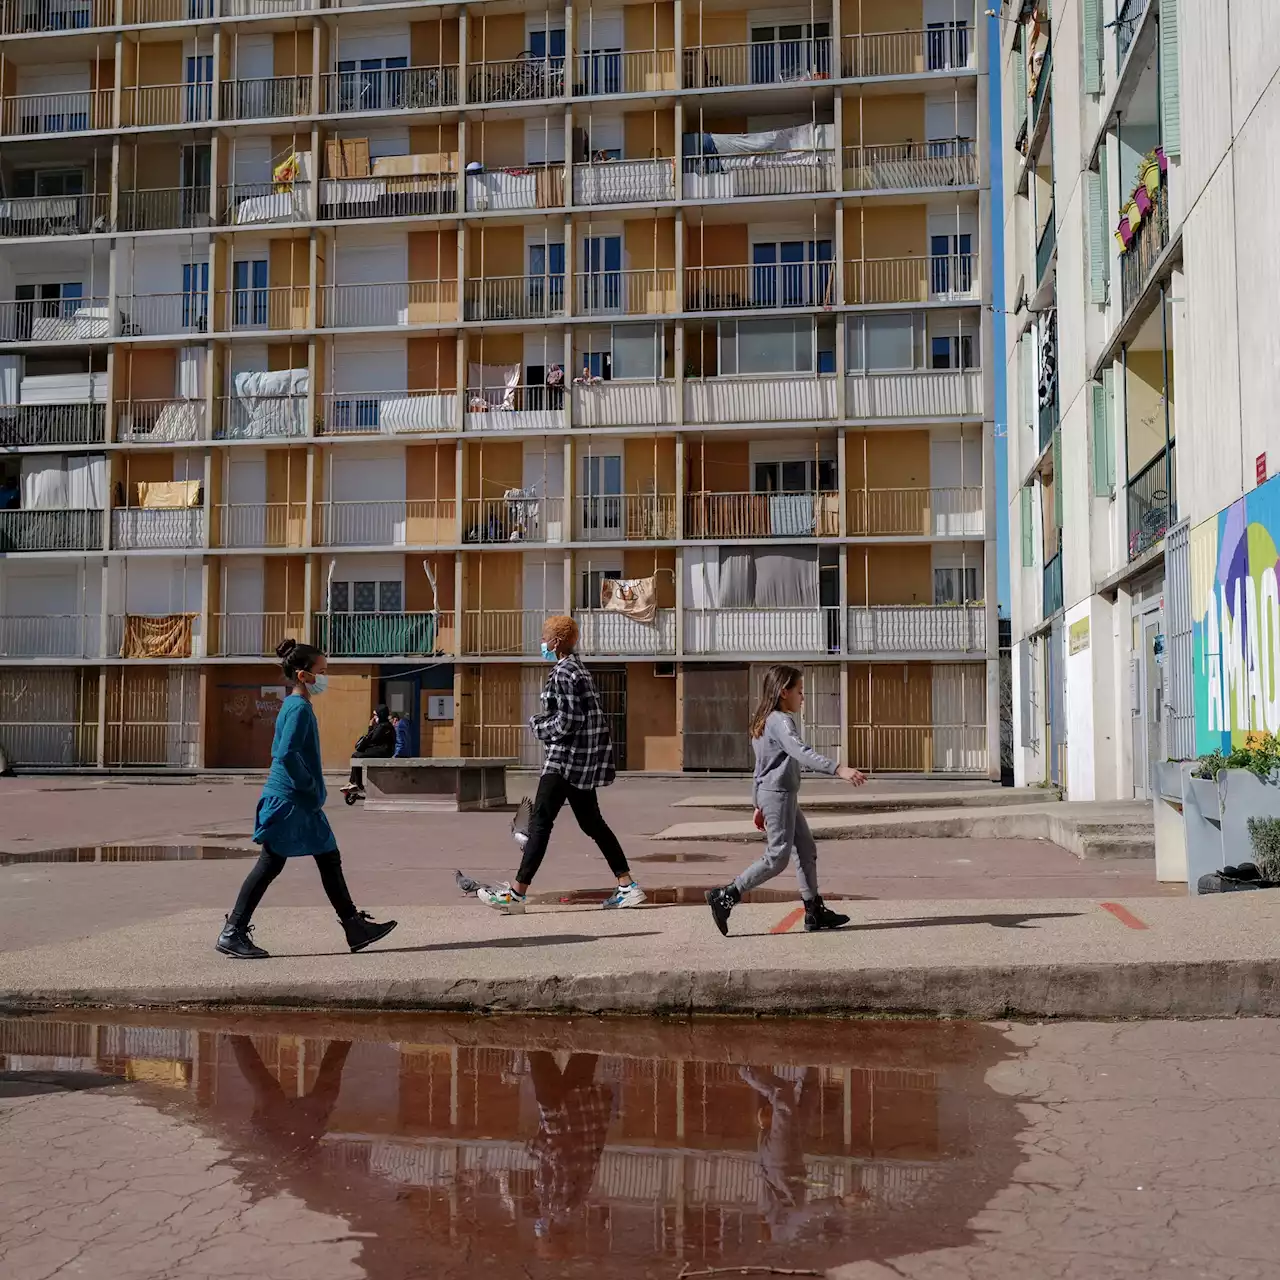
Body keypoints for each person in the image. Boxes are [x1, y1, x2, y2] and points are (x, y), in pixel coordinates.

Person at [215, 638, 398, 959]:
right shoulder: (298, 708)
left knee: (328, 857)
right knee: (271, 863)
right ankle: (233, 932)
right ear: (303, 676)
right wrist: (309, 786)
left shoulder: (294, 704)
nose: (324, 678)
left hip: (298, 801)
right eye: (321, 672)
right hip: (290, 800)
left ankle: (354, 926)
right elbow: (284, 753)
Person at [478, 614, 644, 913]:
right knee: (593, 823)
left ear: (556, 642)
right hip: (580, 763)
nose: (542, 642)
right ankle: (627, 885)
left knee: (539, 824)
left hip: (563, 761)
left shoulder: (563, 672)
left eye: (545, 637)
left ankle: (516, 895)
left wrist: (539, 726)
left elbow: (570, 719)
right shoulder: (579, 670)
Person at [706, 664, 865, 936]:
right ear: (783, 692)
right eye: (799, 691)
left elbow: (760, 767)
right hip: (778, 796)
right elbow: (799, 751)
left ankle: (814, 910)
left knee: (805, 849)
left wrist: (758, 803)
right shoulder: (779, 721)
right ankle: (728, 895)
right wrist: (838, 769)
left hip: (779, 795)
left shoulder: (766, 719)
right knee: (777, 856)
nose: (803, 697)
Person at [341, 703, 396, 796]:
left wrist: (370, 727)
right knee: (357, 755)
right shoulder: (383, 725)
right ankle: (354, 782)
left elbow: (372, 739)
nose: (374, 718)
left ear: (380, 714)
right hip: (382, 750)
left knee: (356, 755)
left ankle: (357, 784)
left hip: (383, 751)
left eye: (375, 715)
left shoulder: (383, 726)